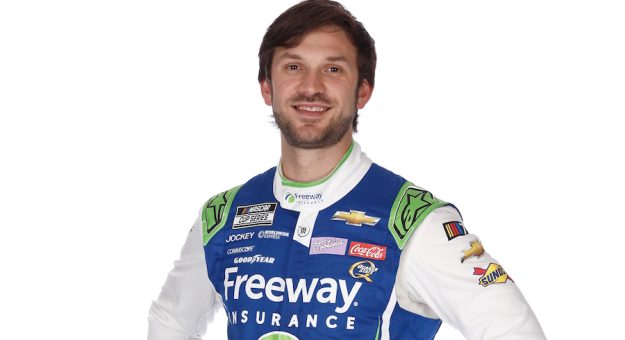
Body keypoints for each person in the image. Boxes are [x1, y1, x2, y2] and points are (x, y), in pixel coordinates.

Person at [148, 1, 546, 339]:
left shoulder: (414, 222)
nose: (311, 87)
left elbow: (513, 329)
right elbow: (170, 321)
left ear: (363, 91)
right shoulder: (222, 217)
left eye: (333, 69)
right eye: (293, 67)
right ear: (267, 87)